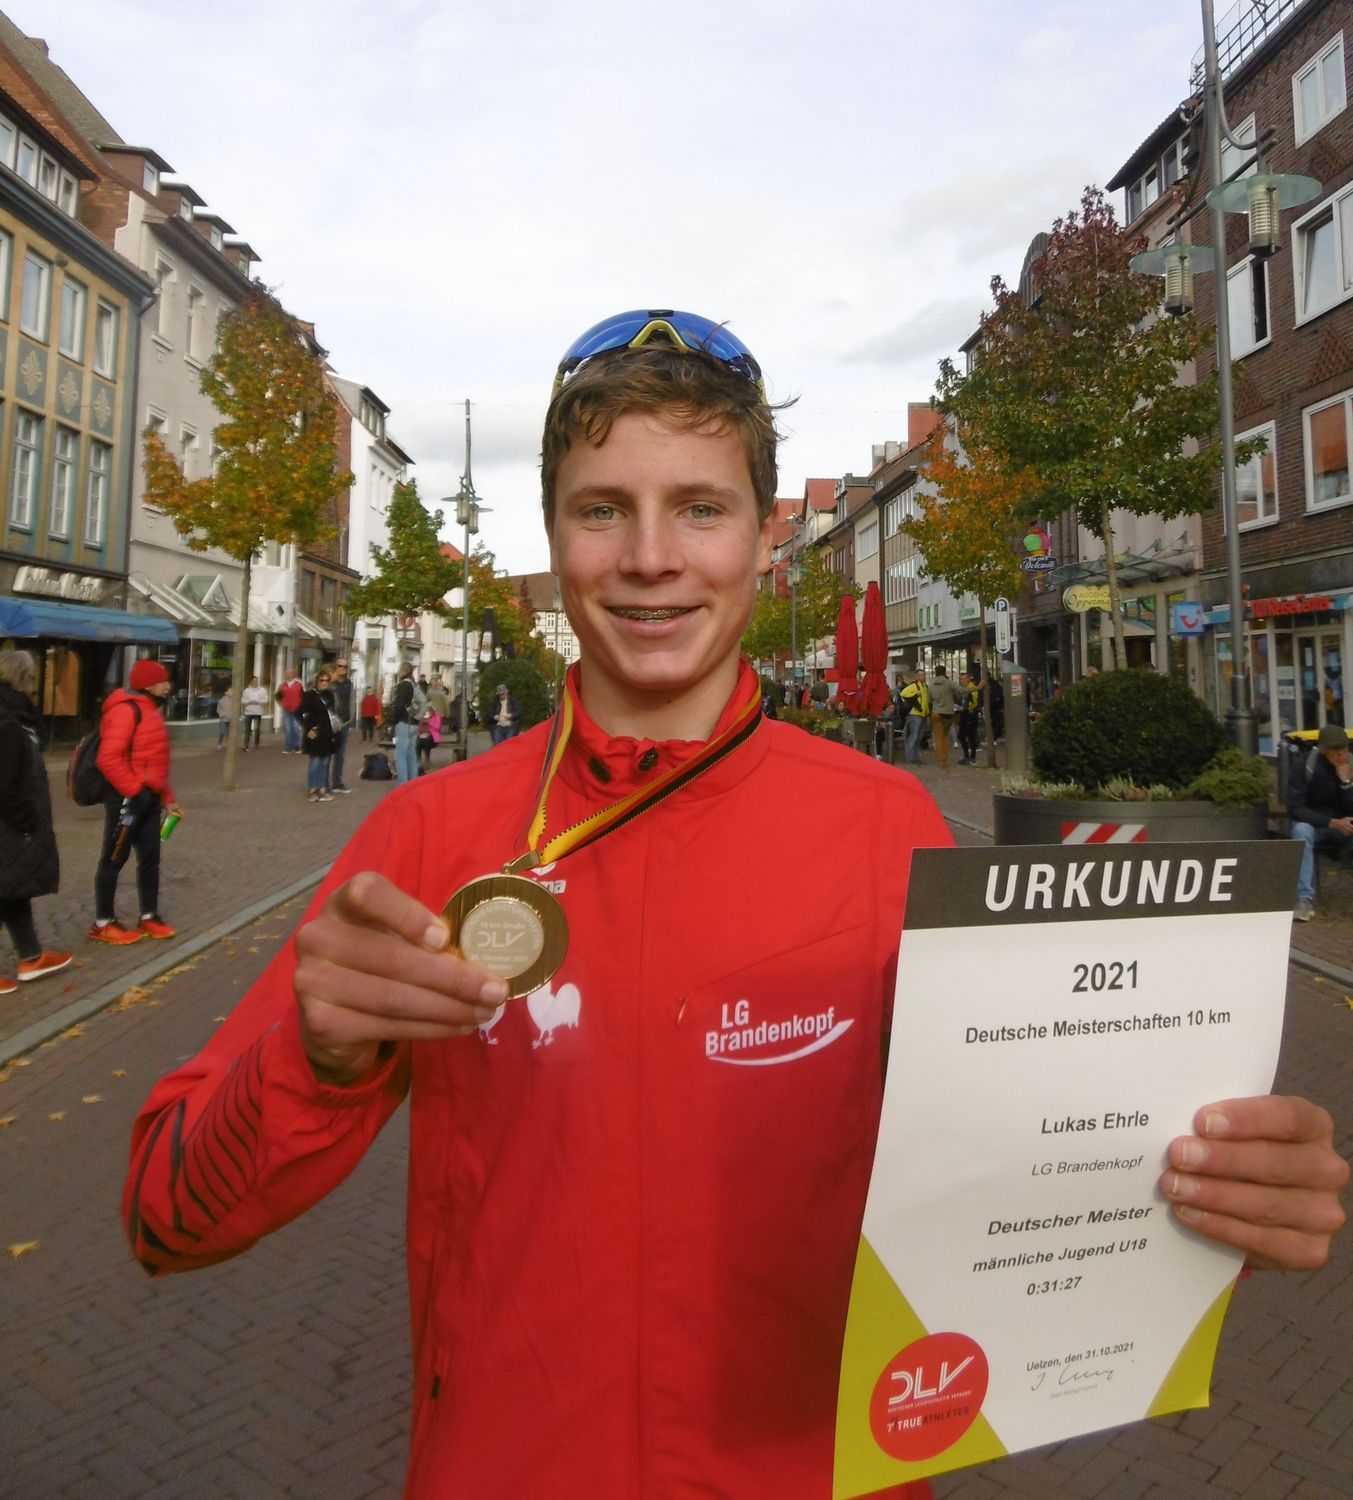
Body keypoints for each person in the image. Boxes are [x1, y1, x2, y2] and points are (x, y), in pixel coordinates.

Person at [123, 309, 1348, 1500]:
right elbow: (166, 1219)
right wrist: (316, 1060)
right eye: (603, 509)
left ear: (765, 538)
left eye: (700, 508)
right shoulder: (428, 836)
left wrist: (1206, 1192)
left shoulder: (891, 834)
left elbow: (1037, 1171)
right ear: (555, 535)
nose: (651, 557)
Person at [90, 658, 179, 945]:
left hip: (148, 799)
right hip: (126, 800)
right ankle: (103, 921)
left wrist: (166, 798)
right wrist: (134, 790)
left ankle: (149, 915)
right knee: (114, 857)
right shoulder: (126, 711)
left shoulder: (151, 711)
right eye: (163, 681)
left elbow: (153, 762)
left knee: (150, 858)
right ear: (148, 685)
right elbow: (108, 758)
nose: (168, 686)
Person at [0, 650, 71, 992]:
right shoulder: (9, 723)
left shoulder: (16, 718)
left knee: (15, 886)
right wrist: (26, 821)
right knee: (7, 886)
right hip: (10, 822)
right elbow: (6, 783)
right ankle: (31, 956)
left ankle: (31, 955)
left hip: (14, 822)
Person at [1288, 723, 1353, 922]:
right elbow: (1296, 808)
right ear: (1323, 749)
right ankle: (1304, 900)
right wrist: (1331, 822)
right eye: (1335, 750)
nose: (1341, 754)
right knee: (1301, 831)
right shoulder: (1304, 766)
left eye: (1344, 749)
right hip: (1316, 825)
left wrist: (1346, 784)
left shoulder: (1351, 765)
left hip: (1346, 826)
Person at [299, 668, 338, 804]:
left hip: (327, 732)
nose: (324, 683)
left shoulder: (330, 695)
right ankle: (312, 789)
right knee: (315, 762)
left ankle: (322, 788)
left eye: (327, 681)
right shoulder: (309, 695)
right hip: (315, 732)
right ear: (317, 681)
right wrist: (308, 729)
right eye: (322, 680)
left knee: (325, 761)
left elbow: (332, 713)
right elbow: (299, 713)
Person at [386, 663, 419, 785]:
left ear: (404, 671)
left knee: (401, 756)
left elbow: (399, 705)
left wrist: (392, 721)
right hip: (414, 723)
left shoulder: (403, 685)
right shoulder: (415, 685)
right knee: (412, 756)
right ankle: (413, 784)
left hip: (404, 723)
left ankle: (402, 785)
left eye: (399, 670)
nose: (398, 672)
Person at [328, 658, 355, 795]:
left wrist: (351, 716)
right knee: (326, 754)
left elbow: (352, 700)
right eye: (340, 666)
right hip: (330, 723)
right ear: (336, 667)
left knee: (340, 755)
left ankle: (337, 783)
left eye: (345, 666)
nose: (342, 669)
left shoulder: (348, 683)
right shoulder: (328, 682)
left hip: (343, 723)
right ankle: (323, 784)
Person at [928, 664, 959, 769]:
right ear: (944, 672)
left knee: (938, 738)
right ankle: (945, 758)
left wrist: (929, 715)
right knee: (945, 737)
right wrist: (977, 688)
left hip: (936, 713)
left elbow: (929, 701)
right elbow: (960, 690)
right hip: (948, 713)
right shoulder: (949, 683)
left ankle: (942, 761)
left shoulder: (931, 684)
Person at [900, 667, 929, 764]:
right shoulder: (914, 686)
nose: (922, 676)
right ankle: (910, 758)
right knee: (913, 736)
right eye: (920, 675)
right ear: (916, 676)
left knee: (919, 737)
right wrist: (916, 694)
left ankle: (915, 757)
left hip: (922, 714)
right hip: (915, 714)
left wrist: (927, 713)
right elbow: (903, 693)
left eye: (923, 675)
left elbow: (926, 701)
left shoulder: (925, 687)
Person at [957, 670, 981, 767]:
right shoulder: (966, 688)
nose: (962, 681)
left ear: (968, 679)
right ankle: (967, 756)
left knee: (970, 736)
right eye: (961, 679)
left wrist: (967, 707)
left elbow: (973, 702)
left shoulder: (971, 688)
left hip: (970, 714)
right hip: (965, 713)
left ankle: (971, 757)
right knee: (962, 735)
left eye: (964, 679)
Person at [277, 667, 304, 753]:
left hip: (297, 709)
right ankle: (288, 747)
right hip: (287, 709)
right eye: (287, 673)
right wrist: (281, 704)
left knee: (295, 728)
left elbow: (303, 695)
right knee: (288, 728)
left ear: (293, 674)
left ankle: (296, 746)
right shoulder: (282, 685)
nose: (288, 675)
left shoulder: (299, 684)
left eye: (290, 673)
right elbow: (278, 696)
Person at [241, 675, 269, 750]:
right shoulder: (246, 691)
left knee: (256, 729)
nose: (255, 682)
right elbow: (243, 701)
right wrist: (249, 701)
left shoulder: (262, 690)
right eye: (254, 681)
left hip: (258, 712)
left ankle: (256, 743)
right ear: (251, 681)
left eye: (256, 681)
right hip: (248, 712)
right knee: (247, 729)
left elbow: (266, 700)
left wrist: (258, 701)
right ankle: (246, 744)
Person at [488, 681, 520, 746]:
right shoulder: (495, 702)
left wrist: (511, 716)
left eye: (503, 694)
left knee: (509, 743)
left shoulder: (512, 701)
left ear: (506, 692)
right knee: (497, 742)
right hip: (498, 725)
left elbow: (519, 712)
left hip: (510, 725)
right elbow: (489, 714)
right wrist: (494, 717)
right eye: (500, 694)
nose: (502, 696)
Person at [416, 705, 441, 775]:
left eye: (429, 711)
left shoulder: (436, 716)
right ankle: (418, 762)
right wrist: (421, 725)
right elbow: (418, 729)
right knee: (419, 742)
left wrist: (429, 722)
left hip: (433, 737)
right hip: (423, 736)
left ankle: (427, 760)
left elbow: (437, 727)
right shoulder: (423, 716)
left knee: (426, 741)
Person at [215, 684, 233, 749]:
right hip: (223, 719)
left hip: (230, 719)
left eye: (232, 691)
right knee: (222, 732)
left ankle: (229, 745)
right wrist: (220, 714)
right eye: (230, 691)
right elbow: (218, 709)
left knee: (229, 733)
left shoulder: (234, 701)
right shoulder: (221, 701)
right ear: (226, 693)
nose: (232, 692)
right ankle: (219, 744)